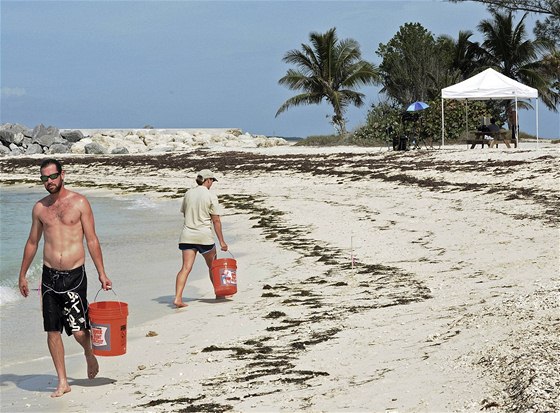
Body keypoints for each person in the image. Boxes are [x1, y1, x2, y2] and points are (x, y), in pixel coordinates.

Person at [18, 158, 112, 398]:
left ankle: (89, 352)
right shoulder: (40, 208)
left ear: (63, 175)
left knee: (80, 331)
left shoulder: (79, 203)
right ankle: (62, 381)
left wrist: (102, 272)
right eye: (44, 178)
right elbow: (32, 242)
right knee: (52, 331)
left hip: (75, 277)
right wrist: (22, 275)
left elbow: (91, 239)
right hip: (49, 277)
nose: (48, 182)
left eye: (52, 176)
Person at [174, 169, 228, 308]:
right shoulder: (210, 196)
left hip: (187, 236)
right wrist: (222, 241)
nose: (212, 184)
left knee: (185, 268)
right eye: (212, 181)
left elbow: (185, 213)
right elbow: (216, 220)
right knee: (213, 266)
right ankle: (219, 293)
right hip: (204, 237)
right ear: (208, 180)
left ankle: (178, 298)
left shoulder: (188, 193)